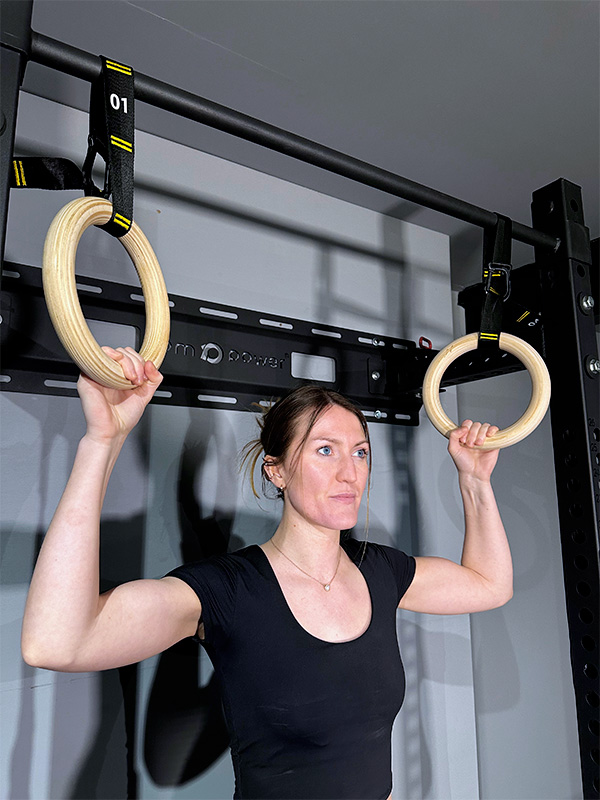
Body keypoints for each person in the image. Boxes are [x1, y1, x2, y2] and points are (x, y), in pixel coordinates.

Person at [21, 346, 513, 800]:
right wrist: (102, 442)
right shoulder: (228, 591)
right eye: (325, 450)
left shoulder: (380, 570)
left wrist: (475, 481)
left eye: (359, 451)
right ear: (277, 471)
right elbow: (57, 643)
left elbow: (489, 585)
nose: (350, 472)